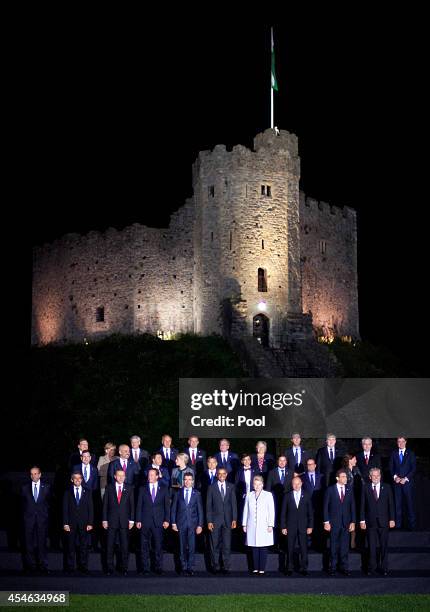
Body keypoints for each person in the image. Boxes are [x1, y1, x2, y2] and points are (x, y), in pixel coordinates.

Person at [360, 467, 395, 576]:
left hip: (384, 521)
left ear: (380, 476)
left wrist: (392, 519)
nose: (376, 477)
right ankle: (372, 568)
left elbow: (391, 504)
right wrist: (362, 520)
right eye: (374, 476)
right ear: (370, 477)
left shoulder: (387, 487)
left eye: (378, 475)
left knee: (384, 546)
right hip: (370, 522)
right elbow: (362, 505)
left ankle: (384, 568)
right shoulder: (365, 488)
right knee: (371, 546)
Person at [136, 468, 170, 575]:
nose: (149, 477)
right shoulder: (142, 489)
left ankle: (158, 567)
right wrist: (138, 520)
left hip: (158, 522)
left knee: (158, 546)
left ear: (157, 476)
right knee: (144, 546)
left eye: (152, 475)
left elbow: (167, 506)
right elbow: (139, 505)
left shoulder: (164, 489)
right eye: (149, 475)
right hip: (145, 521)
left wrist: (167, 520)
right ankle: (145, 568)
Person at [102, 469, 135, 576]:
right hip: (111, 521)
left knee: (125, 546)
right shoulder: (109, 487)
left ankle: (124, 568)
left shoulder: (129, 488)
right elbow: (105, 505)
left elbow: (132, 506)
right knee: (109, 546)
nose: (121, 478)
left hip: (125, 521)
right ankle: (109, 568)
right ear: (115, 476)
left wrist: (132, 520)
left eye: (123, 476)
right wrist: (104, 519)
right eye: (119, 476)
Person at [323, 469, 356, 576]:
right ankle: (333, 567)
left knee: (344, 546)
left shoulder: (349, 489)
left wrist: (353, 521)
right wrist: (326, 521)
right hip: (334, 523)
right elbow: (325, 507)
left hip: (346, 523)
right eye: (343, 477)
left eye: (346, 477)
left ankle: (344, 568)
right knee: (333, 546)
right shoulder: (330, 490)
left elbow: (352, 506)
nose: (345, 478)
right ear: (337, 478)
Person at [171, 473, 204, 576]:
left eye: (189, 479)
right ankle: (183, 567)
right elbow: (173, 509)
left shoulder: (197, 494)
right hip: (181, 523)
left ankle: (190, 567)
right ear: (183, 481)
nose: (187, 481)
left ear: (193, 481)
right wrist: (173, 523)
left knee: (192, 546)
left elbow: (200, 510)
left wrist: (200, 525)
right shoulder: (178, 493)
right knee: (181, 547)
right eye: (185, 479)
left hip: (193, 524)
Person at [206, 467, 237, 574]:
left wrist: (234, 519)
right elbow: (208, 506)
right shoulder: (211, 487)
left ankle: (226, 566)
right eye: (219, 474)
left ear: (226, 474)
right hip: (215, 520)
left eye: (223, 473)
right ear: (217, 475)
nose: (221, 475)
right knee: (214, 545)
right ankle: (215, 566)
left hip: (228, 520)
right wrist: (209, 521)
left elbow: (234, 504)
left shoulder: (231, 486)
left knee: (227, 545)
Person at [21, 466, 51, 574]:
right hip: (28, 520)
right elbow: (23, 504)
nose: (34, 476)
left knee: (42, 543)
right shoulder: (24, 488)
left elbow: (49, 503)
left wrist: (45, 514)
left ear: (40, 474)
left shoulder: (47, 487)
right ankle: (30, 566)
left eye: (35, 473)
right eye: (32, 474)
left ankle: (43, 565)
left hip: (42, 520)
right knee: (28, 543)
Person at [242, 475, 275, 575]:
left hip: (264, 525)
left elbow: (271, 511)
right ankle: (255, 568)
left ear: (262, 484)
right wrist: (244, 524)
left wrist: (270, 525)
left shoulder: (268, 495)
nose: (257, 486)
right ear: (253, 485)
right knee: (254, 546)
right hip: (251, 524)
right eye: (255, 484)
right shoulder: (249, 495)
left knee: (263, 546)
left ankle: (262, 569)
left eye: (259, 484)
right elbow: (246, 510)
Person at [281, 476, 313, 575]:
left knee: (304, 548)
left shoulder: (307, 495)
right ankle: (290, 568)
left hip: (303, 526)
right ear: (292, 485)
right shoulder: (287, 496)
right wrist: (283, 526)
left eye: (298, 483)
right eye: (294, 483)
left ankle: (304, 568)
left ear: (301, 483)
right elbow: (283, 513)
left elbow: (310, 513)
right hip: (290, 526)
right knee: (290, 548)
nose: (296, 485)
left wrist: (310, 526)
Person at [62, 472, 93, 574]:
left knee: (83, 546)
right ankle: (70, 567)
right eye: (75, 478)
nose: (77, 480)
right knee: (70, 546)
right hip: (71, 523)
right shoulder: (67, 492)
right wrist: (65, 523)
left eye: (79, 478)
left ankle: (83, 566)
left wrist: (90, 523)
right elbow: (65, 509)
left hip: (84, 523)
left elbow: (90, 509)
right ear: (72, 480)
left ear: (82, 480)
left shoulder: (87, 492)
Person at [388, 436, 416, 530]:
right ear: (397, 442)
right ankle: (398, 526)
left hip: (407, 483)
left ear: (406, 442)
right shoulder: (393, 453)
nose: (401, 443)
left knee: (410, 504)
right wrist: (395, 477)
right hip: (397, 484)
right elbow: (391, 468)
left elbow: (413, 469)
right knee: (397, 505)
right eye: (399, 442)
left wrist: (406, 478)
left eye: (402, 441)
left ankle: (412, 526)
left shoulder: (411, 453)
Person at [301, 457, 325, 550]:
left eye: (312, 464)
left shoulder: (321, 476)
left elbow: (324, 490)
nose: (310, 466)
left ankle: (318, 544)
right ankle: (308, 544)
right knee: (308, 524)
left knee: (318, 525)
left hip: (318, 504)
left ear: (315, 465)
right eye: (308, 464)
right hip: (307, 505)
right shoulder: (302, 477)